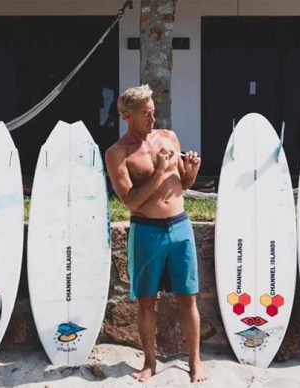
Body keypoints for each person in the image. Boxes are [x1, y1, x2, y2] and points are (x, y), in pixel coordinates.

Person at [104, 85, 208, 383]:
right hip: (147, 231)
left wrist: (191, 170)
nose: (153, 118)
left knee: (188, 298)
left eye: (154, 112)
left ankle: (195, 363)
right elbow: (131, 201)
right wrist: (159, 171)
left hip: (180, 225)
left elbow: (182, 185)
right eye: (145, 114)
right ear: (127, 115)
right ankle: (149, 363)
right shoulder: (117, 154)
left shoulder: (168, 137)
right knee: (146, 300)